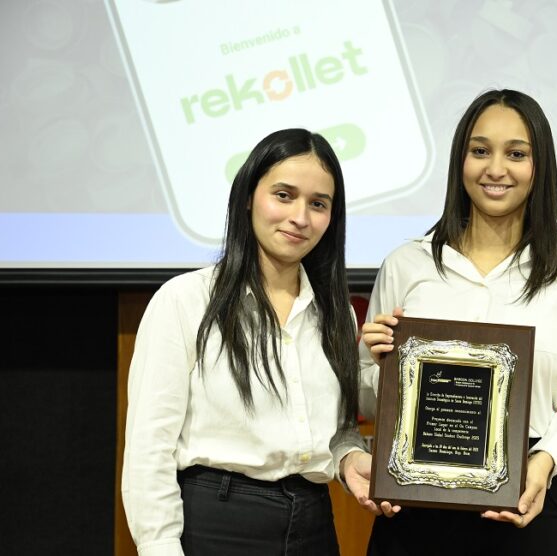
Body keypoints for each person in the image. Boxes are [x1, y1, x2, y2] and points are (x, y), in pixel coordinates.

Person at [359, 89, 557, 556]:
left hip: (536, 497)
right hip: (420, 503)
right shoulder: (407, 264)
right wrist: (381, 370)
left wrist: (545, 460)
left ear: (540, 167)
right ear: (460, 161)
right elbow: (369, 399)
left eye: (516, 153)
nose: (496, 169)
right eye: (480, 151)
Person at [122, 128, 389, 556]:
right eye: (284, 195)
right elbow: (149, 448)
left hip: (314, 521)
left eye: (318, 204)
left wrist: (348, 458)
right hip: (218, 523)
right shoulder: (185, 300)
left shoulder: (333, 311)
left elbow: (334, 430)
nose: (301, 217)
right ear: (249, 196)